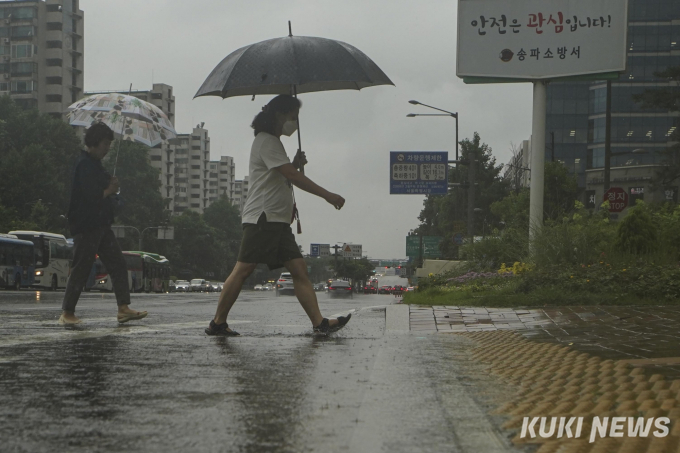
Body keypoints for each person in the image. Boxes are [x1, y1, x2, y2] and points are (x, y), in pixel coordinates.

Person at [206, 95, 350, 336]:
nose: (295, 122)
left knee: (299, 269)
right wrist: (328, 195)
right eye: (292, 116)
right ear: (278, 116)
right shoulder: (267, 142)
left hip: (277, 220)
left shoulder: (272, 143)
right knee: (244, 269)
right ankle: (217, 322)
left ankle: (319, 323)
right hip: (263, 217)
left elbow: (280, 176)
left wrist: (292, 163)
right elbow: (292, 177)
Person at [59, 122, 147, 325]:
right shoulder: (84, 164)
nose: (108, 148)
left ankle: (123, 307)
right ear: (95, 142)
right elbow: (91, 196)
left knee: (117, 263)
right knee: (82, 267)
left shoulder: (96, 165)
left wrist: (113, 186)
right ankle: (67, 312)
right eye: (106, 143)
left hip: (101, 225)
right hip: (87, 225)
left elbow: (106, 189)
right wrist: (109, 190)